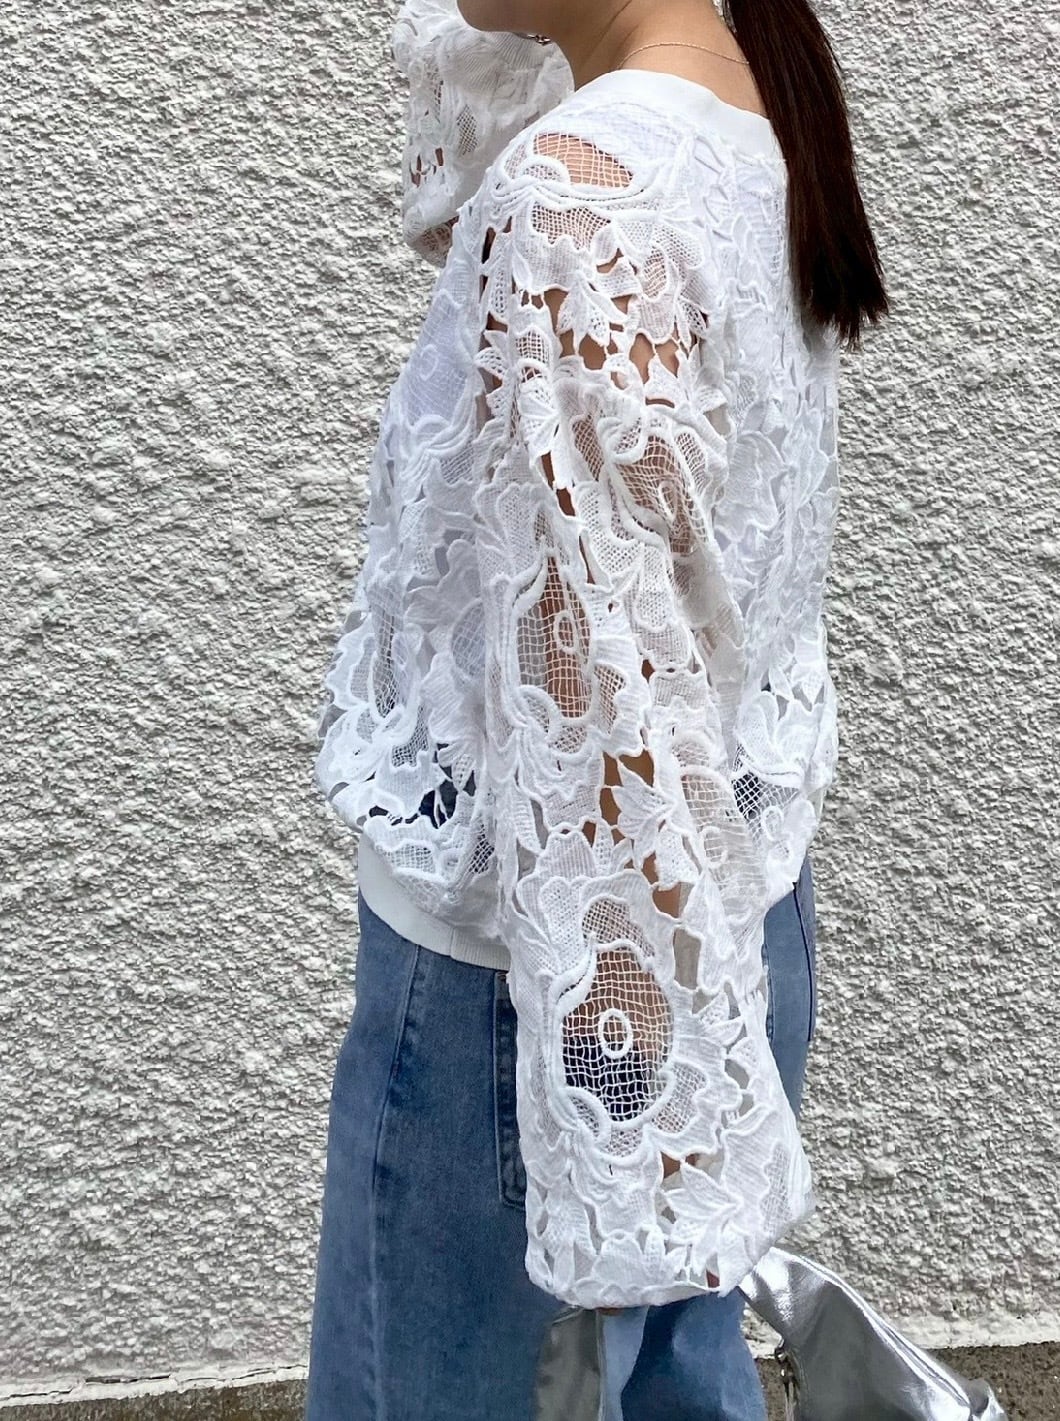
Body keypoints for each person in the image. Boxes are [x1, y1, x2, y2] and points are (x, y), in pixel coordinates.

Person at [305, 0, 889, 1417]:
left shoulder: (573, 202)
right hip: (721, 920)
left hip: (555, 979)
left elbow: (600, 700)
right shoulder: (742, 105)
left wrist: (625, 1151)